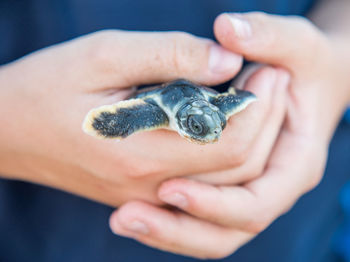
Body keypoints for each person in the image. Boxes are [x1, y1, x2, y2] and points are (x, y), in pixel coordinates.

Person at [0, 0, 349, 261]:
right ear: (184, 119)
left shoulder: (212, 113)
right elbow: (106, 121)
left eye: (215, 127)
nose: (210, 139)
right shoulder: (154, 112)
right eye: (199, 129)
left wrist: (334, 61)